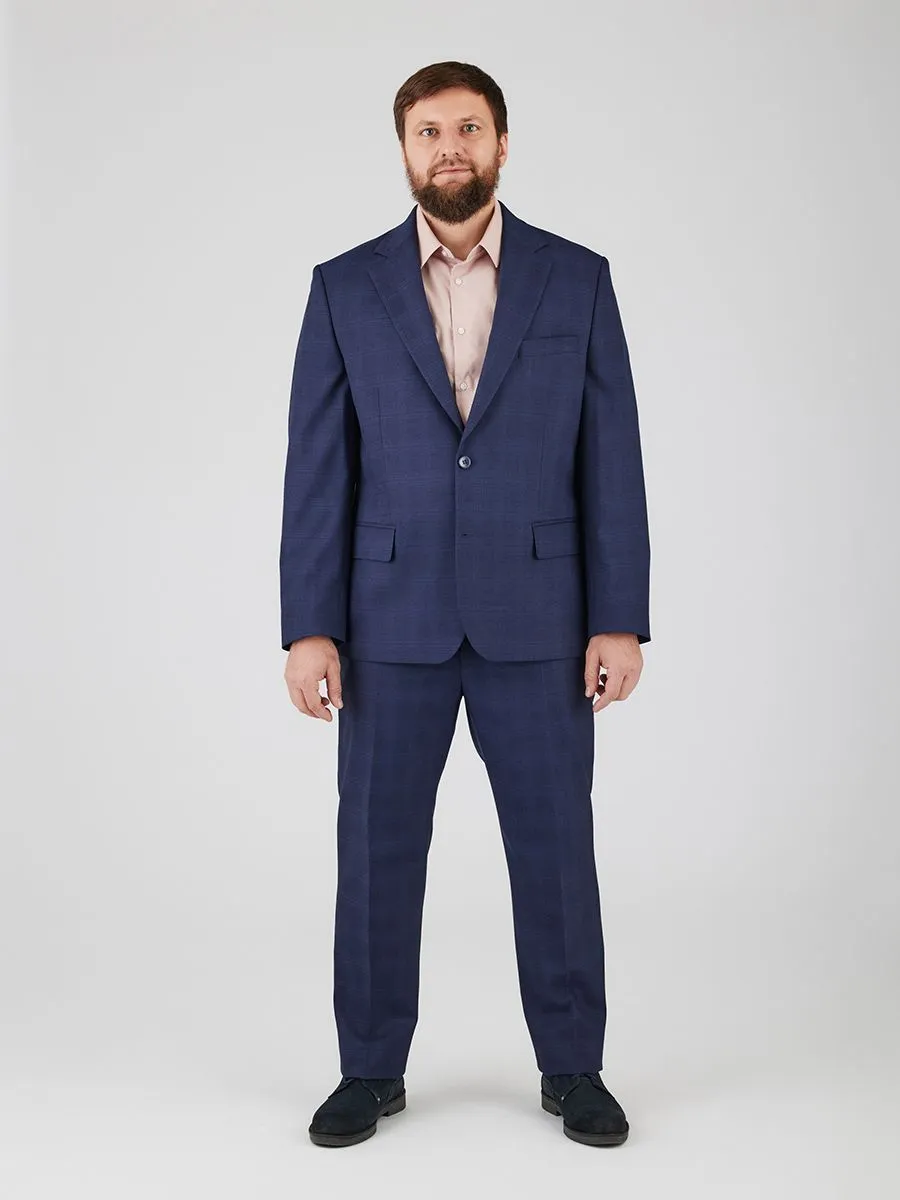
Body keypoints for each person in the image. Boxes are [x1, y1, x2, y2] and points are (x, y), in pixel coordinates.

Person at [280, 60, 651, 1149]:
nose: (450, 147)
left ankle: (574, 1067)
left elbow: (611, 458)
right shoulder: (344, 288)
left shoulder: (576, 280)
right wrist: (311, 626)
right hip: (387, 621)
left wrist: (618, 615)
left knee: (555, 848)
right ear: (404, 149)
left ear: (501, 144)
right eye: (429, 130)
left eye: (469, 128)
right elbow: (318, 469)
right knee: (376, 852)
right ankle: (369, 1069)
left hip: (541, 619)